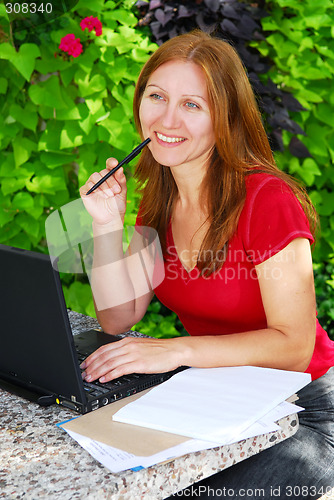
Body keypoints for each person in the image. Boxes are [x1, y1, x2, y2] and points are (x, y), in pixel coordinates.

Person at [79, 30, 334, 499]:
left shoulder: (268, 200)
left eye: (192, 105)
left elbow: (295, 348)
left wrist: (177, 351)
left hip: (304, 410)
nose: (166, 118)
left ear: (225, 119)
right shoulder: (160, 199)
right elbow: (119, 317)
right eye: (156, 96)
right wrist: (106, 227)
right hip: (217, 397)